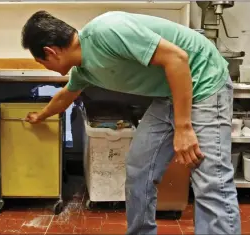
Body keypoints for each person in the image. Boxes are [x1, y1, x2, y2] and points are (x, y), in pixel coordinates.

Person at [21, 10, 241, 234]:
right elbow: (66, 95)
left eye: (41, 62)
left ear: (50, 52)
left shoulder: (105, 31)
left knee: (211, 179)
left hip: (204, 81)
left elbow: (177, 58)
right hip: (169, 94)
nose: (44, 67)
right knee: (139, 169)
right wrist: (41, 115)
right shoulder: (84, 69)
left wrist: (183, 127)